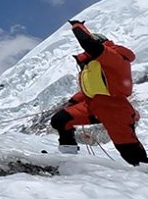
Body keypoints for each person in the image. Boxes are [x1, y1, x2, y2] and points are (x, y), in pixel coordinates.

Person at [49, 20, 147, 166]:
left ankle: (144, 173)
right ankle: (69, 159)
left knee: (128, 149)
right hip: (93, 106)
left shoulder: (114, 57)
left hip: (115, 109)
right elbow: (94, 88)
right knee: (61, 120)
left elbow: (90, 44)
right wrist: (74, 101)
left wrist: (78, 27)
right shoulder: (95, 65)